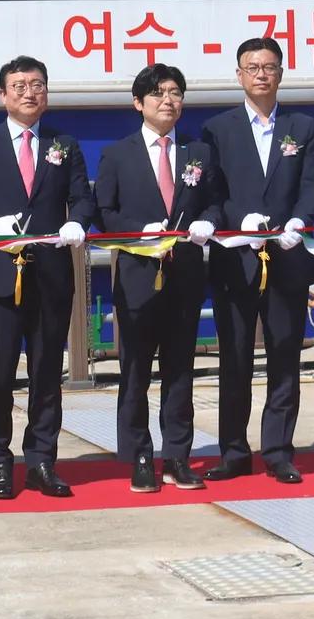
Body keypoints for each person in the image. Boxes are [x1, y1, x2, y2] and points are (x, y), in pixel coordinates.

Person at [0, 55, 92, 500]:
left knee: (47, 372)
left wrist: (77, 222)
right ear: (3, 95)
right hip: (0, 276)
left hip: (52, 275)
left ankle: (41, 461)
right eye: (19, 86)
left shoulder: (63, 143)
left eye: (37, 85)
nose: (29, 93)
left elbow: (83, 197)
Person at [199, 38, 314, 485]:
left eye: (269, 67)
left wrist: (299, 220)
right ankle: (234, 452)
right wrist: (240, 219)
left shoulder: (302, 126)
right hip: (236, 261)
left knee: (284, 357)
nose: (261, 74)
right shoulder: (217, 129)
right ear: (239, 74)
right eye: (252, 67)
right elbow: (212, 191)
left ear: (281, 73)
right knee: (234, 359)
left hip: (288, 257)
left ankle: (278, 451)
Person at [93, 63, 224, 494]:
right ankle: (140, 456)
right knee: (135, 370)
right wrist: (139, 231)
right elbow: (104, 213)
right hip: (138, 275)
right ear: (138, 103)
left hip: (185, 274)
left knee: (180, 369)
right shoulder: (118, 154)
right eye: (158, 93)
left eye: (175, 93)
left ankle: (178, 456)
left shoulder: (198, 151)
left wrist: (208, 221)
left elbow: (216, 201)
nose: (168, 101)